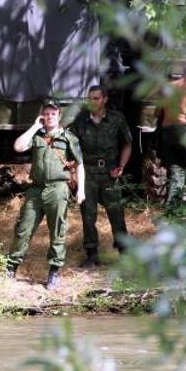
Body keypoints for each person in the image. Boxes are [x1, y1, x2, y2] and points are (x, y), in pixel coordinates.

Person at [5, 100, 86, 290]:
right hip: (36, 190)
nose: (49, 117)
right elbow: (18, 146)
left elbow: (80, 164)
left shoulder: (68, 138)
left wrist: (81, 190)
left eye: (53, 114)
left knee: (57, 231)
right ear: (43, 116)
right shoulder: (37, 136)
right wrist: (35, 127)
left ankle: (54, 273)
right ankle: (10, 269)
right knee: (23, 229)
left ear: (59, 116)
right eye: (46, 114)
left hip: (58, 189)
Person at [68, 86, 132, 268]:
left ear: (104, 99)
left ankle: (124, 252)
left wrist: (121, 166)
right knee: (88, 215)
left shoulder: (116, 118)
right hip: (87, 173)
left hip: (109, 173)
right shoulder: (81, 121)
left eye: (96, 98)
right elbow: (70, 144)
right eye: (90, 98)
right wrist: (72, 170)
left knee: (116, 214)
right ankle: (91, 254)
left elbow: (127, 144)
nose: (92, 102)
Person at [155, 64, 186, 203]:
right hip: (183, 131)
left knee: (177, 171)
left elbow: (157, 112)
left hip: (166, 133)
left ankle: (172, 208)